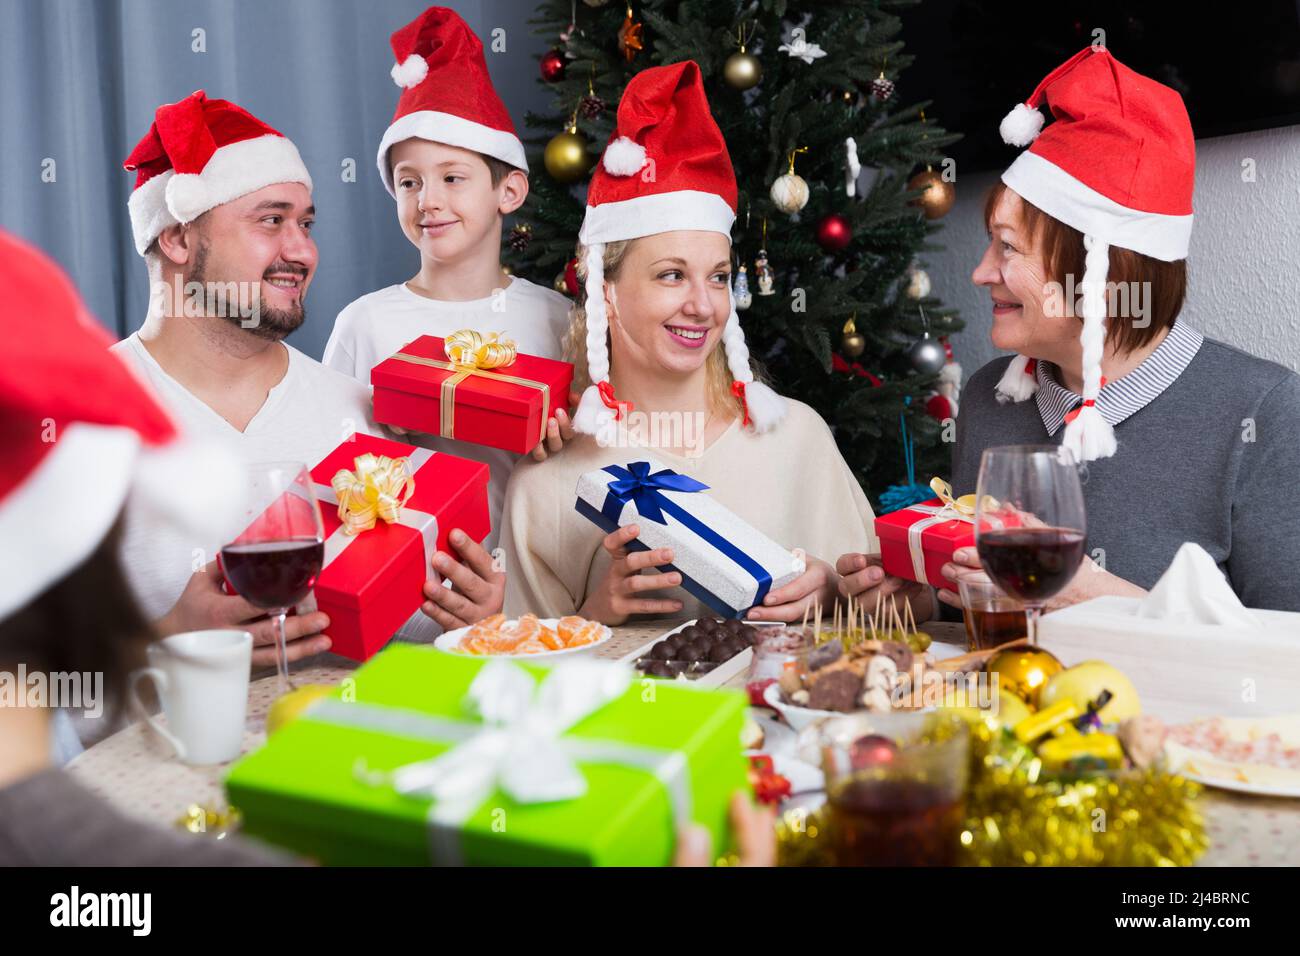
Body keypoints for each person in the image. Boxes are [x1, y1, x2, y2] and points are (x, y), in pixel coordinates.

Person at [838, 44, 1300, 616]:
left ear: (1103, 275)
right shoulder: (988, 398)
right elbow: (993, 615)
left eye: (1007, 248)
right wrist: (928, 600)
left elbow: (1287, 658)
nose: (980, 273)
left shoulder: (1263, 410)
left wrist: (1091, 595)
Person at [500, 61, 876, 625]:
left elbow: (886, 620)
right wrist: (595, 619)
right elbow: (517, 682)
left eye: (719, 276)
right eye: (671, 275)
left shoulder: (797, 438)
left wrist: (832, 599)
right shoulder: (546, 484)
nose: (703, 305)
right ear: (608, 294)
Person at [323, 6, 575, 633]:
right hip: (405, 607)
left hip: (532, 603)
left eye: (453, 178)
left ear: (508, 192)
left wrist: (562, 446)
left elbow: (587, 466)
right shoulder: (365, 324)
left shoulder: (559, 319)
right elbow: (334, 469)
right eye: (408, 183)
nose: (428, 201)